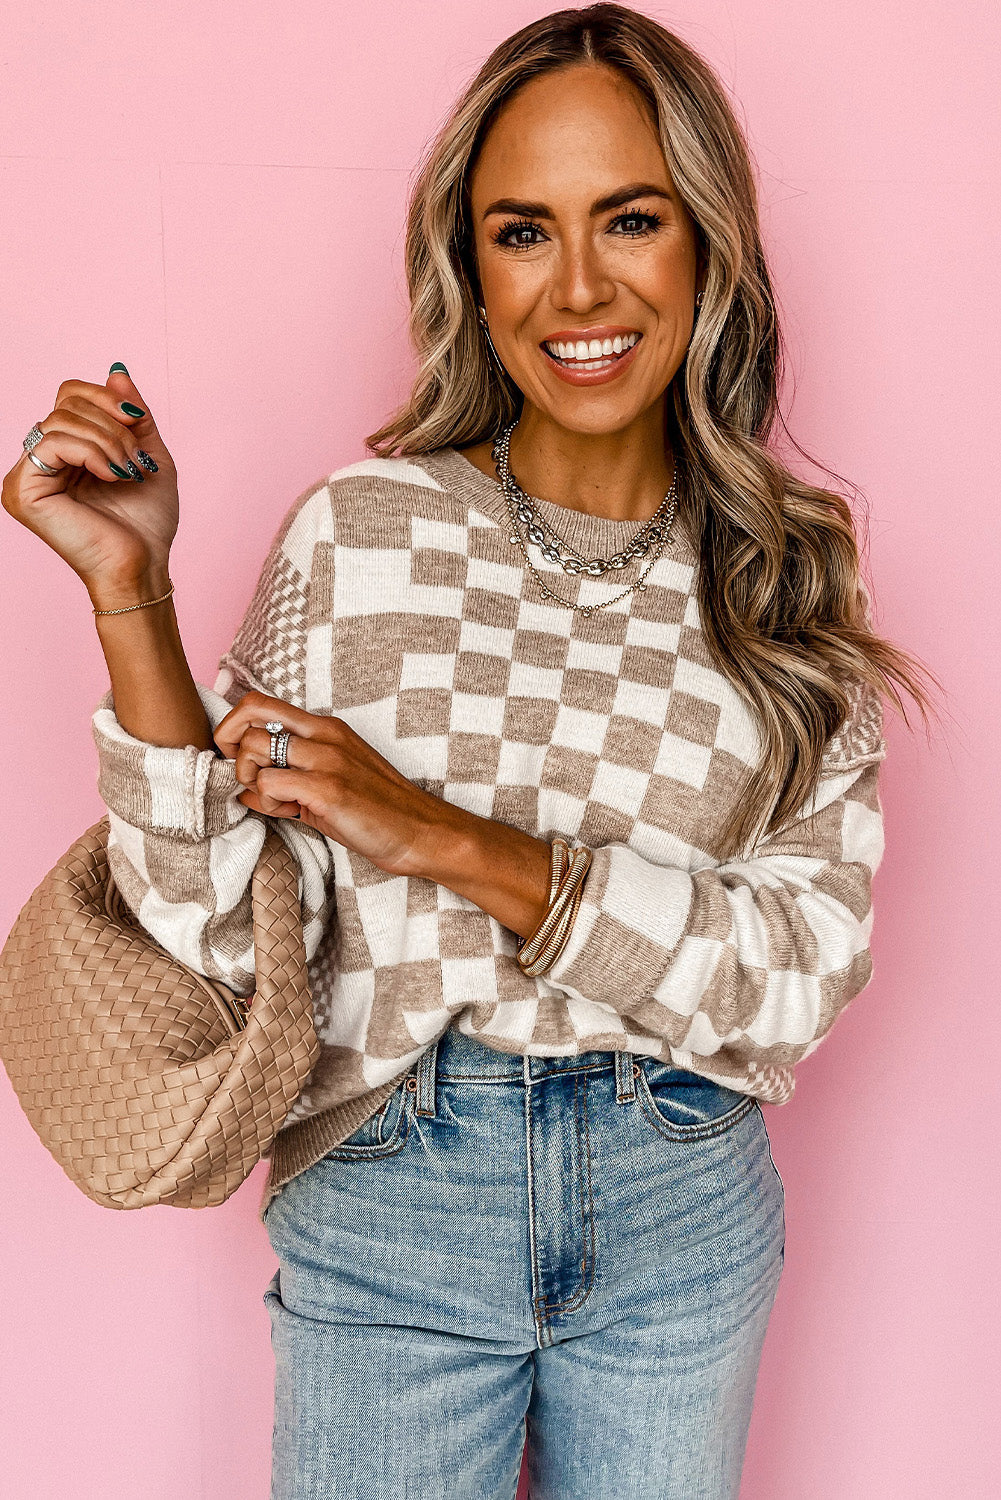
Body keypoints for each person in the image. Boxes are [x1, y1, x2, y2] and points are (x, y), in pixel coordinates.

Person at [2, 6, 936, 1497]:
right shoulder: (360, 537)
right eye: (522, 232)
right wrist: (132, 593)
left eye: (631, 219)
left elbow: (796, 979)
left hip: (681, 1201)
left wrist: (446, 840)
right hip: (393, 1197)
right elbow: (213, 936)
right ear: (471, 267)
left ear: (707, 245)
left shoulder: (784, 576)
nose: (580, 286)